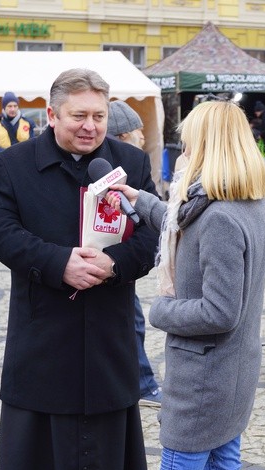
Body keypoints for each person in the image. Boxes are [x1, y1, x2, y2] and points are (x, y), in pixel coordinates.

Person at [0, 68, 159, 470]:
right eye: (79, 115)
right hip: (44, 338)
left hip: (107, 339)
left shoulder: (130, 163)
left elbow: (155, 237)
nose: (90, 126)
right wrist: (57, 262)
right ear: (51, 114)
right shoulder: (14, 164)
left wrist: (114, 264)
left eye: (99, 116)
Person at [105, 99, 265, 470]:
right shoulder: (242, 203)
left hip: (204, 380)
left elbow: (220, 311)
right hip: (229, 376)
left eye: (190, 145)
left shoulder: (219, 218)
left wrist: (161, 310)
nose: (183, 153)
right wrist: (140, 200)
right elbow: (185, 225)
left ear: (209, 149)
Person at [106, 99, 161, 405]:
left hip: (125, 257)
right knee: (133, 320)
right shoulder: (126, 164)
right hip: (114, 258)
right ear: (124, 135)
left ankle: (140, 382)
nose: (143, 137)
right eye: (139, 131)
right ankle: (143, 384)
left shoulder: (132, 163)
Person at [0, 91, 37, 155]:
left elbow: (33, 145)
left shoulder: (27, 123)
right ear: (4, 107)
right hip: (2, 162)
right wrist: (8, 153)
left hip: (22, 162)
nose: (13, 109)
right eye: (9, 106)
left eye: (15, 106)